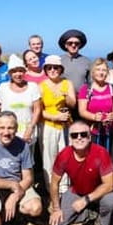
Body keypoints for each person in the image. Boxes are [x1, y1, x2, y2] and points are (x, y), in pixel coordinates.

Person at [48, 120, 113, 225]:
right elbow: (54, 183)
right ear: (70, 138)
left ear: (90, 136)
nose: (79, 138)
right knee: (59, 223)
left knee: (110, 201)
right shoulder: (64, 155)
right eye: (74, 135)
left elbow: (110, 184)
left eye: (83, 134)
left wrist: (86, 199)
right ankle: (89, 212)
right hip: (78, 191)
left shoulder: (100, 153)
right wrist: (56, 208)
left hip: (101, 192)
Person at [0, 111, 43, 222]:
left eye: (10, 128)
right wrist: (12, 185)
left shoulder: (23, 145)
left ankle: (13, 212)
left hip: (18, 185)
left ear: (16, 129)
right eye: (2, 128)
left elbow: (29, 178)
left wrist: (15, 195)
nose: (6, 132)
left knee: (35, 208)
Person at [39, 55, 77, 194]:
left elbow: (73, 104)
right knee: (49, 158)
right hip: (48, 126)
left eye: (56, 67)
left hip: (66, 126)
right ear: (46, 69)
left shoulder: (67, 83)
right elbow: (39, 111)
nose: (53, 70)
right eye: (49, 67)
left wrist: (66, 96)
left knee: (66, 156)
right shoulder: (41, 86)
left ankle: (64, 189)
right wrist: (55, 117)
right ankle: (51, 189)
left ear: (61, 69)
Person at [0, 54, 42, 146]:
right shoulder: (3, 88)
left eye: (20, 71)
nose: (18, 74)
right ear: (10, 73)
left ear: (24, 71)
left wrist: (30, 128)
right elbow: (1, 108)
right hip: (7, 133)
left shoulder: (33, 87)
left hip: (27, 132)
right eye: (14, 71)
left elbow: (37, 109)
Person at [78, 58, 113, 152]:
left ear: (107, 73)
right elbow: (82, 111)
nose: (101, 73)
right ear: (93, 72)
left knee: (111, 161)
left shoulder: (112, 88)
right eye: (98, 70)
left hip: (110, 132)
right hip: (92, 132)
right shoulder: (86, 89)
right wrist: (94, 117)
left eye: (104, 70)